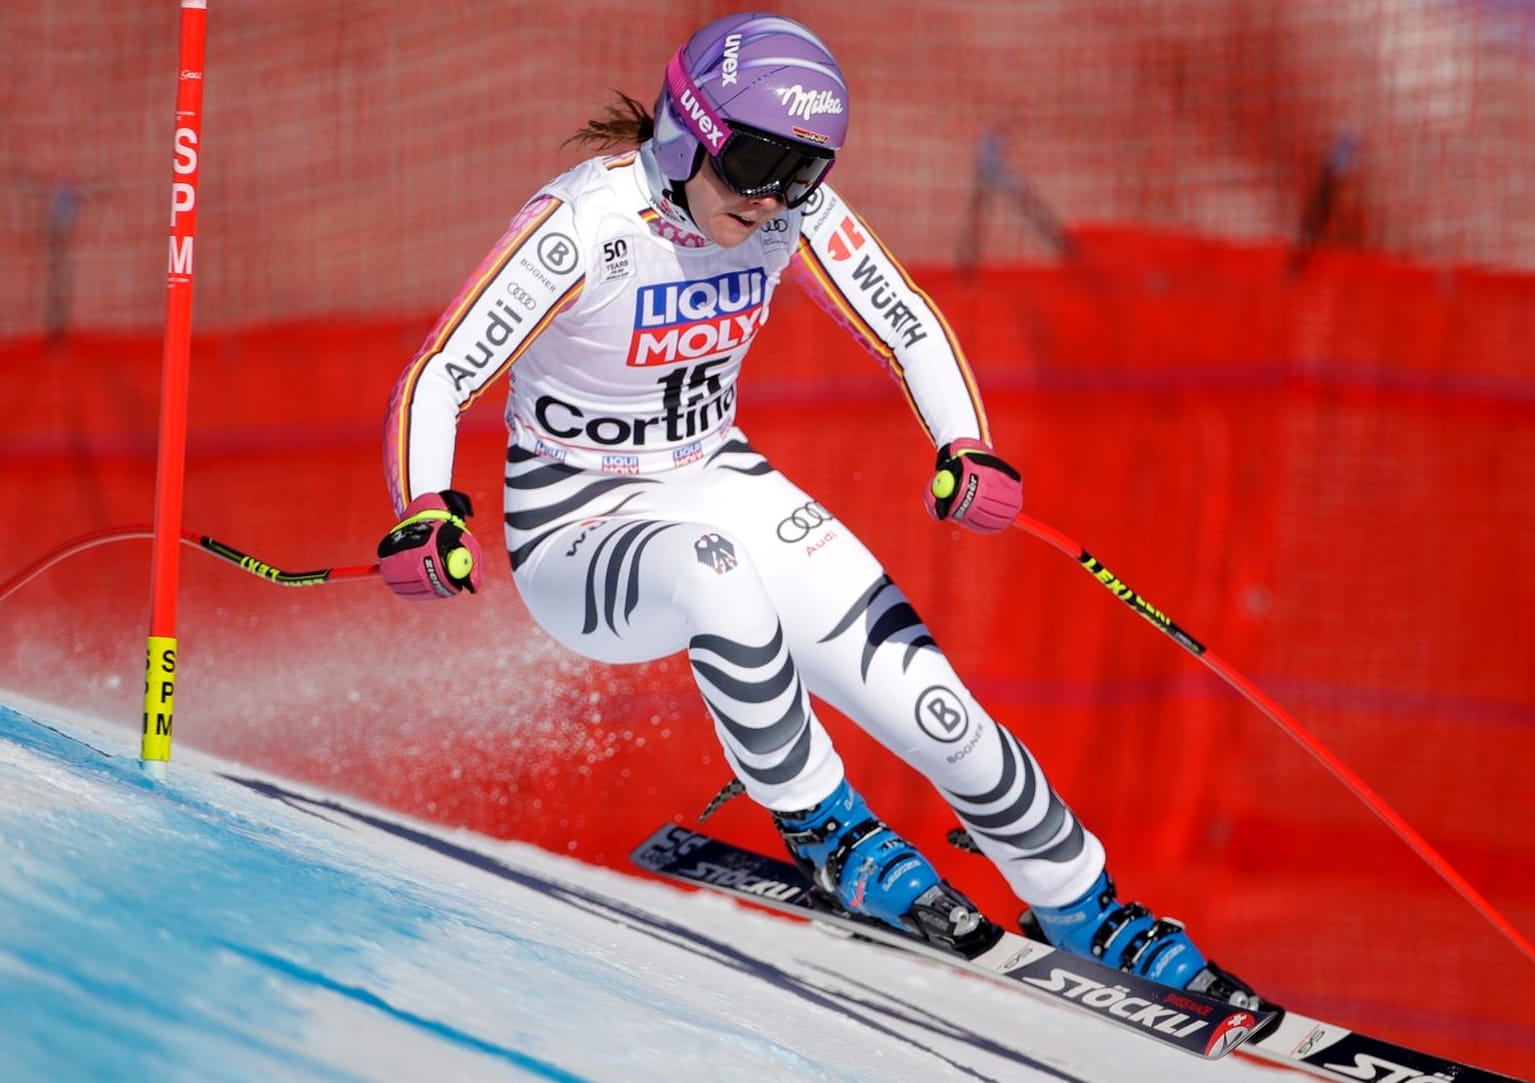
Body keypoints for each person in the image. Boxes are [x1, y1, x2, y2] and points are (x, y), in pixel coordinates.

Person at [376, 11, 1263, 1008]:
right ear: (686, 130)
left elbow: (908, 323)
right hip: (575, 524)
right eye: (753, 160)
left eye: (801, 171)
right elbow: (443, 371)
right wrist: (424, 511)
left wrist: (963, 444)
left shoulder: (793, 214)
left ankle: (1081, 903)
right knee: (711, 567)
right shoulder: (585, 223)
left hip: (715, 473)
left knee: (938, 712)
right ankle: (826, 829)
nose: (770, 199)